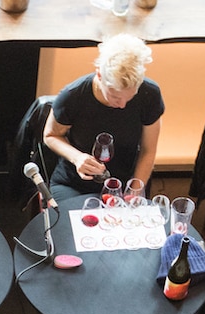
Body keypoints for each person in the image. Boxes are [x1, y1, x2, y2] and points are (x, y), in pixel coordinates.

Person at [43, 34, 163, 207]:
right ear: (99, 75)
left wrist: (134, 191)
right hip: (74, 184)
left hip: (124, 180)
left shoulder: (149, 94)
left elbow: (148, 151)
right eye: (115, 97)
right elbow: (50, 135)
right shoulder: (73, 96)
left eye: (130, 97)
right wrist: (77, 158)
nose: (122, 105)